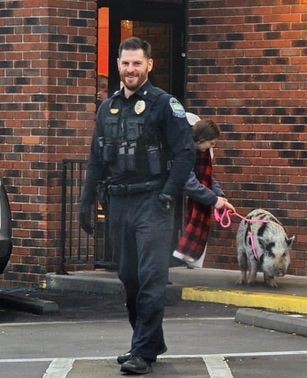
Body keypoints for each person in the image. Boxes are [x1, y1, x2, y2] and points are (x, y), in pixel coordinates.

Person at [79, 37, 195, 375]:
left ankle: (142, 351)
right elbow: (96, 158)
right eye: (126, 63)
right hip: (119, 202)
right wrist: (86, 201)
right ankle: (150, 341)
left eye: (137, 63)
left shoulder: (164, 104)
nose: (131, 70)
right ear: (118, 65)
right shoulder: (107, 108)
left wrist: (169, 193)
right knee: (129, 276)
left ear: (149, 65)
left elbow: (186, 152)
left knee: (151, 277)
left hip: (153, 202)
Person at [172, 114, 235, 268]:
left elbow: (206, 177)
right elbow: (190, 182)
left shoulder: (200, 151)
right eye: (211, 144)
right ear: (201, 140)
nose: (211, 148)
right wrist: (214, 200)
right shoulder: (184, 150)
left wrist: (220, 196)